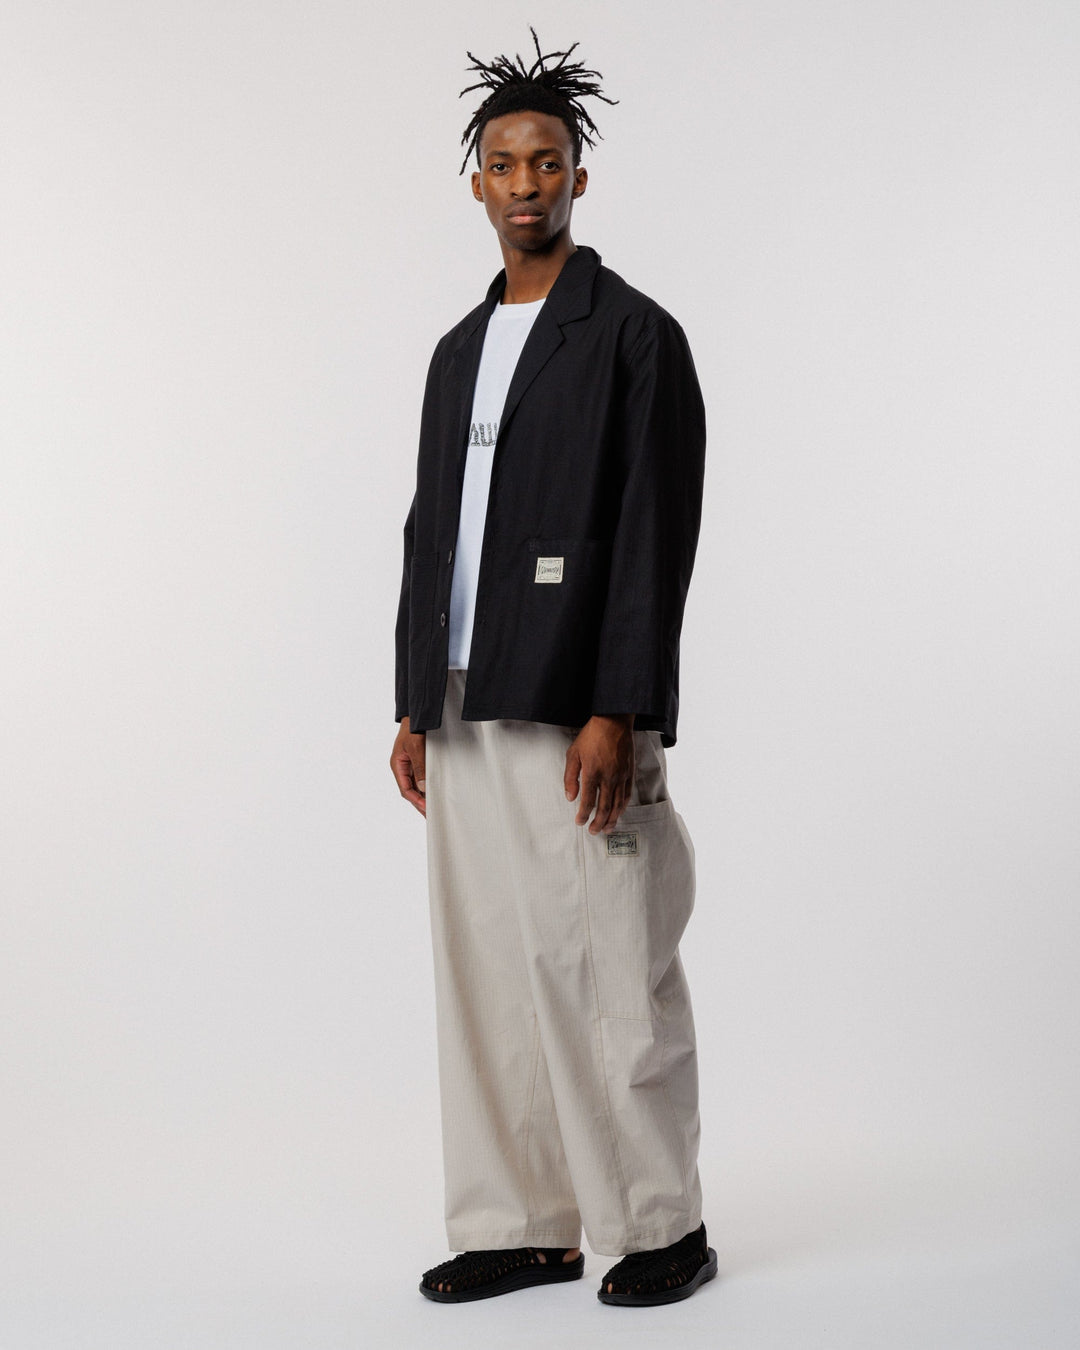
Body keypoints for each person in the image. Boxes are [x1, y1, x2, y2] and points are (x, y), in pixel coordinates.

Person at [390, 29, 715, 1308]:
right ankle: (523, 1222)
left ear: (580, 177)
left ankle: (661, 1225)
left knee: (610, 961)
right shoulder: (456, 352)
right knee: (487, 966)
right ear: (476, 181)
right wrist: (414, 700)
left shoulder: (634, 336)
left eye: (547, 162)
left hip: (576, 702)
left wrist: (618, 707)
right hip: (466, 700)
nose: (525, 184)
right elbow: (431, 529)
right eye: (504, 164)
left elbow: (652, 534)